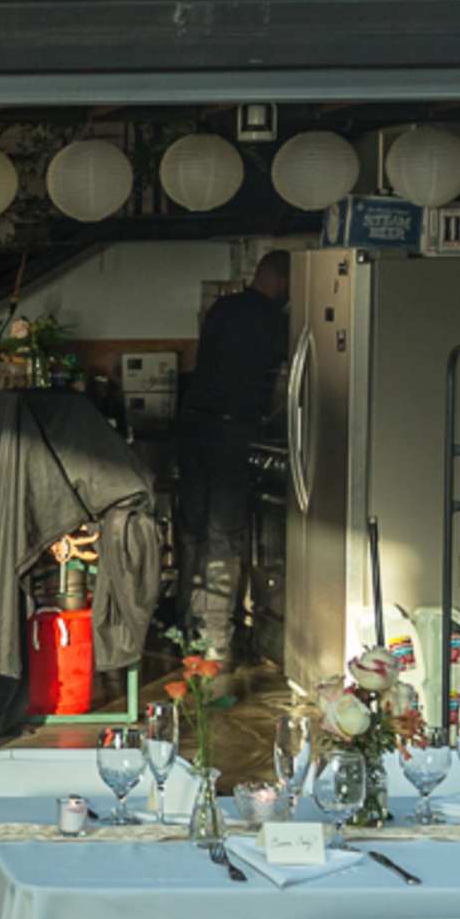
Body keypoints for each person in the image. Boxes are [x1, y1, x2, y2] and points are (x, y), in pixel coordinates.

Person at [176, 250, 294, 656]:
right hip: (230, 433)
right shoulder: (274, 322)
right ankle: (216, 639)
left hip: (193, 428)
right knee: (223, 536)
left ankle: (187, 630)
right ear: (281, 282)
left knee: (192, 532)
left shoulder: (222, 309)